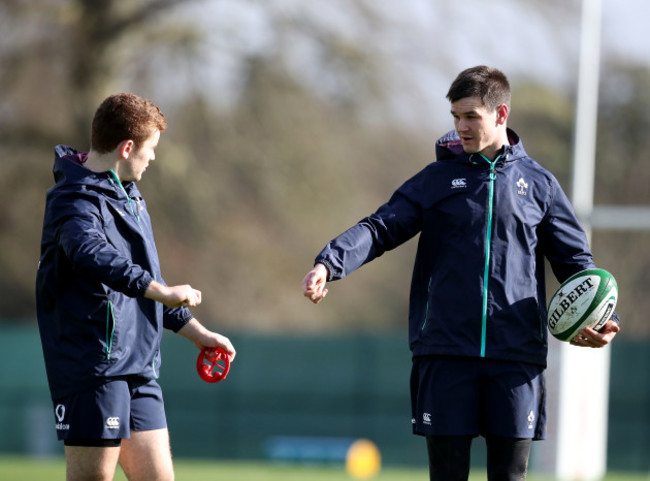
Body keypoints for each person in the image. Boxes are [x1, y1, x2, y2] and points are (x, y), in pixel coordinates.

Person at [302, 66, 620, 481]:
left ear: (501, 114)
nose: (461, 126)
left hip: (516, 357)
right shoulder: (436, 180)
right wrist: (330, 262)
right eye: (455, 116)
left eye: (471, 116)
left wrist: (604, 318)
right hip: (446, 352)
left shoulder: (540, 185)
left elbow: (578, 265)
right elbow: (380, 227)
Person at [36, 93, 236, 481]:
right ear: (127, 148)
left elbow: (150, 279)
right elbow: (91, 254)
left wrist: (197, 333)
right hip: (94, 369)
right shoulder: (72, 201)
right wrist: (159, 290)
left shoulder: (130, 195)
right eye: (151, 148)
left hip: (140, 368)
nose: (154, 158)